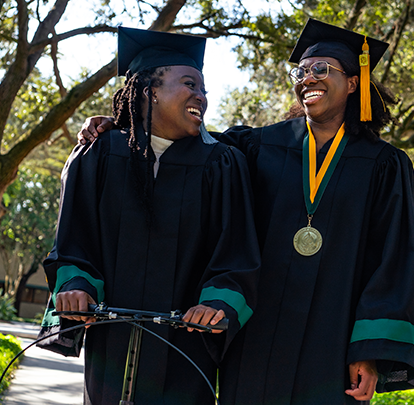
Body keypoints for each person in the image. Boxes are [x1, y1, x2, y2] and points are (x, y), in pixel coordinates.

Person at [79, 18, 414, 405]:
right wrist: (124, 124)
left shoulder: (385, 165)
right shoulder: (256, 146)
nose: (308, 78)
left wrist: (369, 352)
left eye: (321, 69)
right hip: (254, 341)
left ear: (354, 82)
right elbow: (179, 139)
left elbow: (395, 261)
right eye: (302, 71)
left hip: (333, 340)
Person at [38, 26, 260, 405]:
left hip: (186, 348)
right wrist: (76, 288)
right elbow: (75, 240)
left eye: (204, 89)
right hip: (111, 340)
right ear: (150, 90)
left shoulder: (221, 164)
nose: (201, 96)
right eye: (190, 83)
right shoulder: (99, 155)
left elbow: (236, 254)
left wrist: (218, 304)